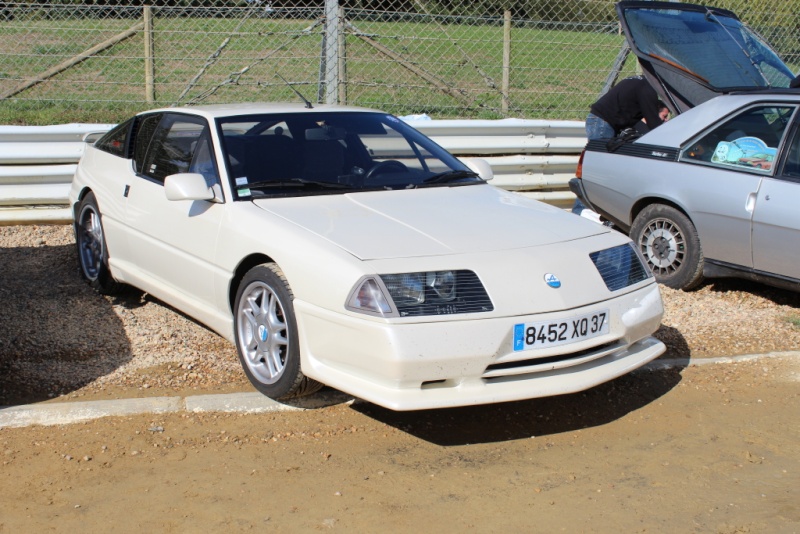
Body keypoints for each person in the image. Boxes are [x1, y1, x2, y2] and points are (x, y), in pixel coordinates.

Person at [574, 75, 667, 216]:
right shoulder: (647, 89)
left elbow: (634, 117)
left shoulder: (639, 82)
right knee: (598, 170)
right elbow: (653, 122)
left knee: (601, 169)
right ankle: (581, 210)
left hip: (601, 121)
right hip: (603, 124)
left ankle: (590, 210)